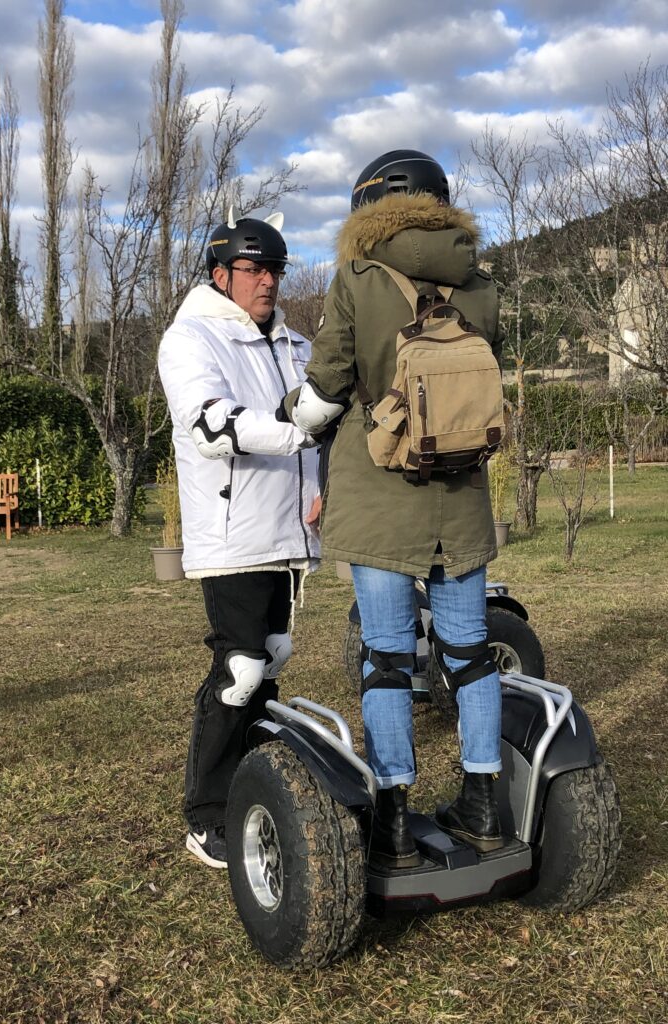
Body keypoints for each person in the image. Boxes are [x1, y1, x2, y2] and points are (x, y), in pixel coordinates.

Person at [286, 149, 504, 867]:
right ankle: (483, 805)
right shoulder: (480, 284)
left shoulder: (357, 279)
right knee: (469, 652)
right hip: (463, 494)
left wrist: (297, 412)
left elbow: (324, 390)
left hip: (381, 491)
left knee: (387, 657)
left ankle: (395, 822)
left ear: (369, 205)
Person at [158, 208, 320, 869]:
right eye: (254, 269)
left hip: (288, 532)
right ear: (221, 274)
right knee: (240, 669)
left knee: (272, 660)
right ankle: (207, 814)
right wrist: (293, 434)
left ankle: (258, 787)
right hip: (232, 535)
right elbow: (209, 424)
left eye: (276, 269)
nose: (268, 282)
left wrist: (327, 482)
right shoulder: (192, 340)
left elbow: (324, 425)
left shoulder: (296, 346)